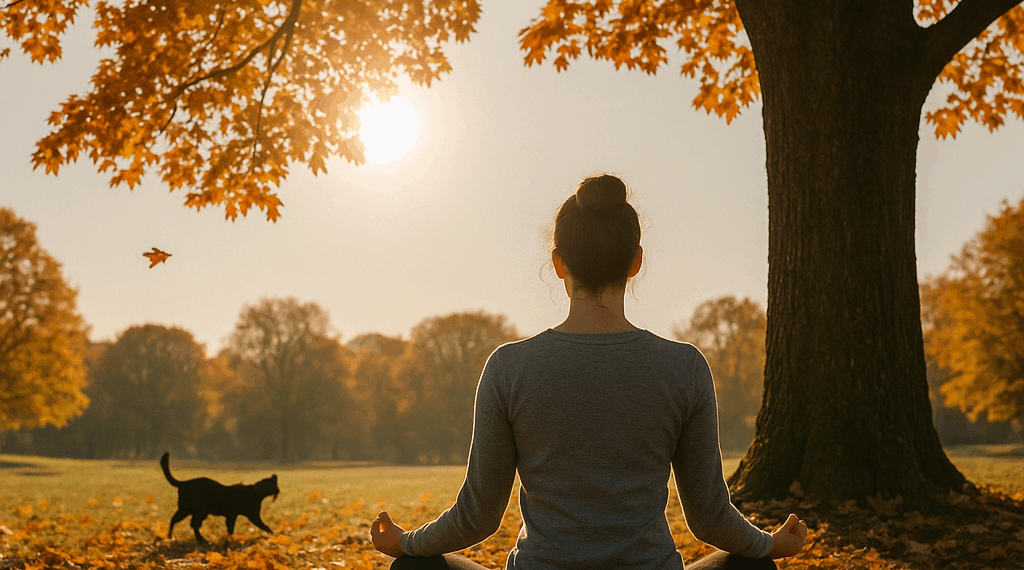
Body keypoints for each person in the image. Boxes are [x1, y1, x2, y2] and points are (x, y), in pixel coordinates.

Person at [370, 175, 807, 569]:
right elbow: (711, 517)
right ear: (635, 262)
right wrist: (769, 544)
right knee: (753, 567)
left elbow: (477, 518)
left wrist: (406, 542)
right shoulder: (685, 367)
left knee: (413, 569)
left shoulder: (508, 368)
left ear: (559, 263)